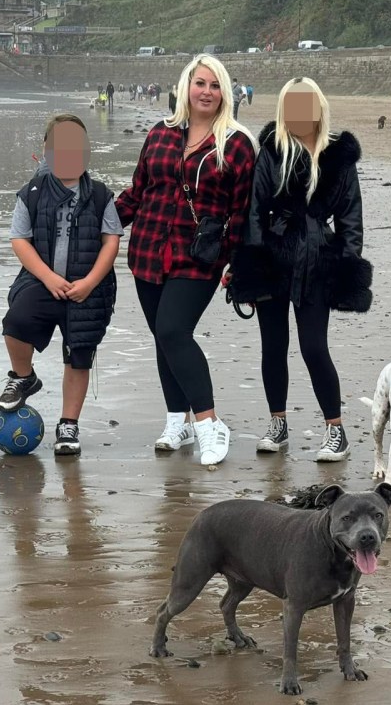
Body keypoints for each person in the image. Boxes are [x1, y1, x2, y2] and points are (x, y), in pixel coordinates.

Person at [115, 56, 257, 466]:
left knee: (174, 331)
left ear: (225, 92)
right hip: (146, 250)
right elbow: (137, 191)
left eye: (215, 85)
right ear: (186, 87)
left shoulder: (236, 143)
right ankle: (175, 419)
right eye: (200, 83)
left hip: (199, 256)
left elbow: (243, 211)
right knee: (163, 337)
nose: (207, 91)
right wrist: (98, 222)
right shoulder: (160, 133)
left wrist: (239, 263)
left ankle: (209, 424)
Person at [229, 77, 372, 463]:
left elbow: (350, 218)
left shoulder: (339, 156)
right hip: (272, 256)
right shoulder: (273, 150)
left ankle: (335, 429)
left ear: (319, 107)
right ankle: (278, 423)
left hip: (316, 259)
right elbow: (255, 209)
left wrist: (347, 265)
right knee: (273, 346)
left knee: (313, 346)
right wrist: (252, 263)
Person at [0, 113, 123, 456]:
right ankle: (23, 376)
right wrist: (48, 277)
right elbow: (19, 240)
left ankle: (69, 424)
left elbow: (111, 241)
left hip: (88, 288)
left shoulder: (99, 194)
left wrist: (90, 282)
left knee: (79, 355)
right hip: (42, 281)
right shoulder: (32, 193)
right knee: (16, 321)